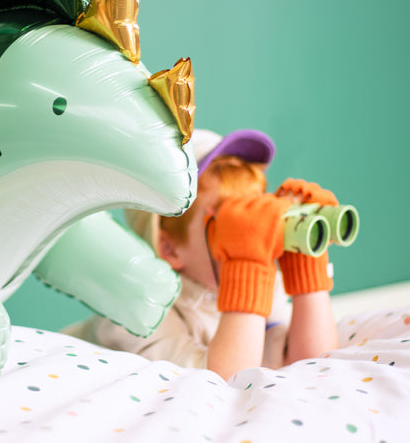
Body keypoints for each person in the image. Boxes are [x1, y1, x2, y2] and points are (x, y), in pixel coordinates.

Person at [62, 129, 339, 379]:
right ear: (170, 249)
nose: (254, 232)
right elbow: (222, 384)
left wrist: (307, 262)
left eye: (255, 212)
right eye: (232, 222)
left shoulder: (265, 283)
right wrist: (245, 264)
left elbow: (312, 362)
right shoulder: (141, 311)